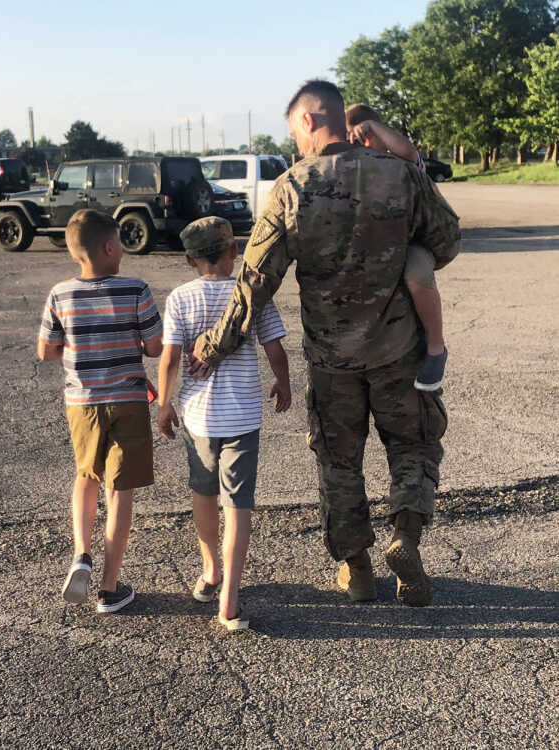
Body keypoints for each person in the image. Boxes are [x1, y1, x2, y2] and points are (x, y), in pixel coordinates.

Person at [189, 80, 460, 607]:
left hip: (332, 361)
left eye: (294, 132)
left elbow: (254, 283)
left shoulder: (291, 188)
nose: (296, 144)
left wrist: (213, 346)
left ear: (310, 121)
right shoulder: (401, 176)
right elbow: (447, 238)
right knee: (413, 446)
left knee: (339, 461)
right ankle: (405, 538)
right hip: (399, 352)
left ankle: (356, 570)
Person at [157, 216, 291, 631]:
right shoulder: (252, 295)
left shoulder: (180, 297)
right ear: (235, 252)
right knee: (239, 505)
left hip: (199, 417)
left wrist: (164, 405)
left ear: (189, 260)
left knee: (202, 493)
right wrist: (283, 383)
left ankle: (210, 570)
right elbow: (275, 348)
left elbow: (170, 358)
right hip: (243, 415)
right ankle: (229, 600)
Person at [38, 209, 162, 614]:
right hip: (127, 399)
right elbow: (154, 346)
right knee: (119, 489)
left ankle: (81, 554)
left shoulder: (60, 294)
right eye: (121, 242)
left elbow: (46, 350)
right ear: (109, 247)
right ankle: (110, 588)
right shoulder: (135, 289)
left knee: (86, 475)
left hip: (82, 403)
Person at [346, 103, 448, 391]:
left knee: (415, 273)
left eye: (366, 136)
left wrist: (373, 127)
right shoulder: (355, 168)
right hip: (378, 243)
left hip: (416, 239)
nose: (361, 143)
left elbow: (410, 151)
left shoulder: (400, 163)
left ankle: (436, 348)